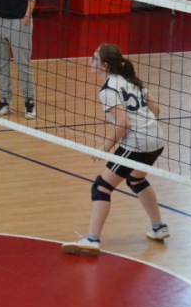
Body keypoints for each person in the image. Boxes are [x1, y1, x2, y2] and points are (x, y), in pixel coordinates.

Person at [63, 44, 168, 256]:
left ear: (104, 65)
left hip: (137, 144)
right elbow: (156, 110)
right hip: (157, 139)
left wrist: (105, 148)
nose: (90, 61)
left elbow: (123, 123)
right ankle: (159, 228)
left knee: (101, 187)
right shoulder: (132, 80)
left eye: (94, 58)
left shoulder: (108, 90)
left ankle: (92, 240)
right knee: (136, 180)